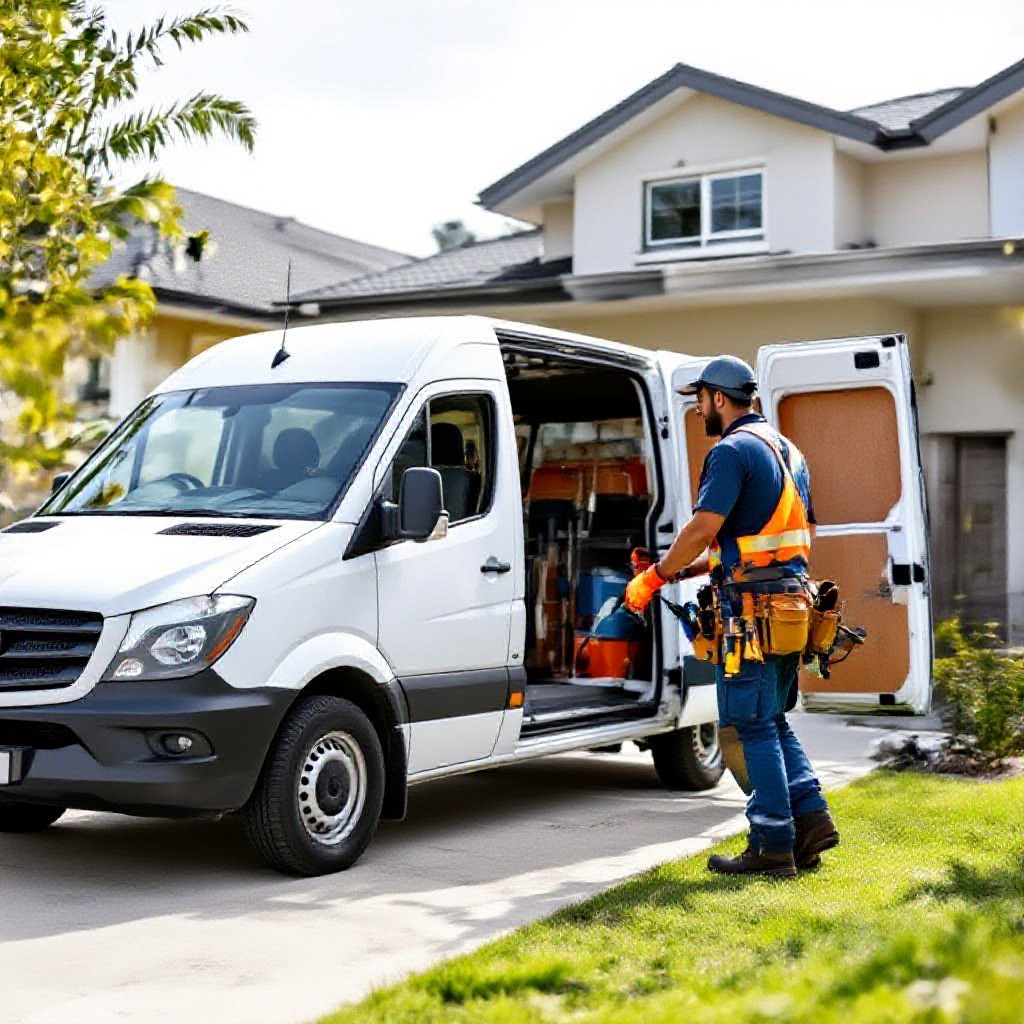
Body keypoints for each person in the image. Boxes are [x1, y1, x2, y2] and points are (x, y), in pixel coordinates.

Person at [624, 355, 839, 879]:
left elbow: (703, 526)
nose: (698, 410)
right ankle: (810, 822)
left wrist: (653, 577)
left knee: (750, 725)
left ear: (719, 398)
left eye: (700, 399)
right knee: (771, 720)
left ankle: (771, 845)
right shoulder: (788, 451)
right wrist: (684, 572)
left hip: (750, 615)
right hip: (790, 606)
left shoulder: (730, 451)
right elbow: (757, 541)